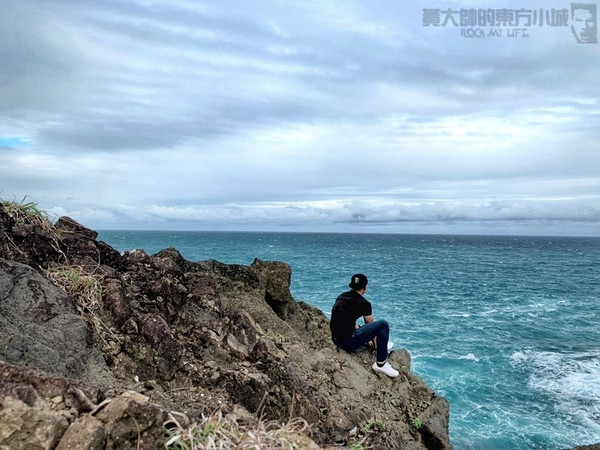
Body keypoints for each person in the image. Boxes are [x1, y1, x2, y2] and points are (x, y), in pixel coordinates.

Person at [330, 274, 400, 378]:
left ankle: (380, 345)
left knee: (363, 326)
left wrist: (357, 327)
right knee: (383, 325)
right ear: (365, 288)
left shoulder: (342, 297)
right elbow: (370, 324)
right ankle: (381, 363)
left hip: (335, 339)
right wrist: (370, 339)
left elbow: (343, 317)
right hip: (347, 343)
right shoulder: (364, 303)